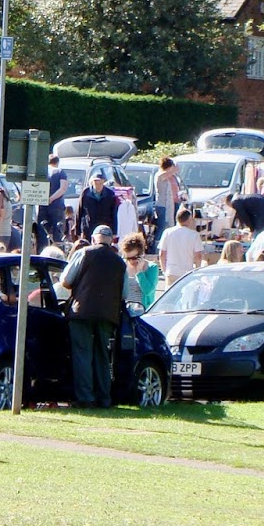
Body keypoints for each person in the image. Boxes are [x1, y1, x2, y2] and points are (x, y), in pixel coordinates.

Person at [60, 225, 126, 408]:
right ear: (111, 240)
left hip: (82, 312)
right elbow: (125, 293)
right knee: (103, 356)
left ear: (94, 238)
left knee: (83, 354)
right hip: (108, 315)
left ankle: (85, 398)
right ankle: (104, 398)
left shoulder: (84, 253)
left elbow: (65, 280)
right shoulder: (120, 262)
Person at [158, 206, 202, 284]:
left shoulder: (167, 232)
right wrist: (197, 270)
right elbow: (198, 256)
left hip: (171, 271)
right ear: (189, 219)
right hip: (187, 272)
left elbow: (162, 254)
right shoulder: (194, 235)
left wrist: (164, 270)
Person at [75, 171, 116, 247]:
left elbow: (114, 213)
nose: (98, 186)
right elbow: (79, 212)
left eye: (100, 183)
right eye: (96, 183)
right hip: (88, 227)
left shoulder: (110, 194)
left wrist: (114, 231)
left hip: (104, 228)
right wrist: (77, 231)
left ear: (103, 182)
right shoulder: (86, 193)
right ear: (92, 183)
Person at [121, 231, 159, 310]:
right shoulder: (122, 266)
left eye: (134, 258)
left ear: (141, 254)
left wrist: (140, 272)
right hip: (124, 311)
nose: (131, 261)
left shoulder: (152, 268)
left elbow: (148, 291)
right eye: (128, 258)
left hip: (142, 310)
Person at [150, 157, 182, 249]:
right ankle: (156, 247)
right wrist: (173, 170)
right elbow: (166, 174)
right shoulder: (160, 175)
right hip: (163, 205)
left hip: (173, 203)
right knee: (162, 225)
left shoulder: (173, 176)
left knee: (171, 226)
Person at [40, 154, 69, 251]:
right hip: (56, 206)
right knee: (58, 231)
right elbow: (63, 188)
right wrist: (51, 199)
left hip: (42, 206)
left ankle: (42, 252)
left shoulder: (42, 172)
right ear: (57, 162)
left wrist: (44, 199)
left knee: (43, 231)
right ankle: (58, 253)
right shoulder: (60, 172)